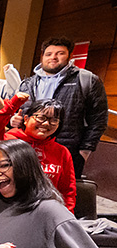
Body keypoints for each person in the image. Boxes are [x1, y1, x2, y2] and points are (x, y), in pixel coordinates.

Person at [14, 37, 108, 177]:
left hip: (68, 150)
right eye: (49, 54)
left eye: (60, 53)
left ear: (69, 56)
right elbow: (18, 112)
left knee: (61, 192)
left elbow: (99, 118)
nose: (53, 57)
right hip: (29, 148)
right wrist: (13, 121)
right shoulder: (27, 83)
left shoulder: (87, 80)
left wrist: (85, 150)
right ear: (42, 57)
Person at [0, 93, 76, 211]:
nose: (46, 123)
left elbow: (67, 191)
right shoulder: (8, 141)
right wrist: (12, 105)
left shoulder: (62, 152)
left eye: (54, 120)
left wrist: (66, 216)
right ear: (26, 119)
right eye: (41, 117)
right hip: (6, 209)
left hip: (45, 212)